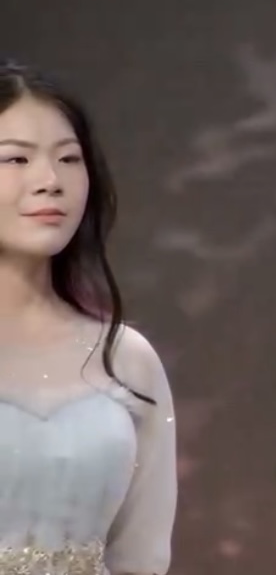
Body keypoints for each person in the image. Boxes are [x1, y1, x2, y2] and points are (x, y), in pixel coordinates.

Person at [0, 61, 177, 574]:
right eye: (16, 158)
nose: (49, 181)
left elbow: (142, 555)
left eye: (68, 159)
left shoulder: (126, 359)